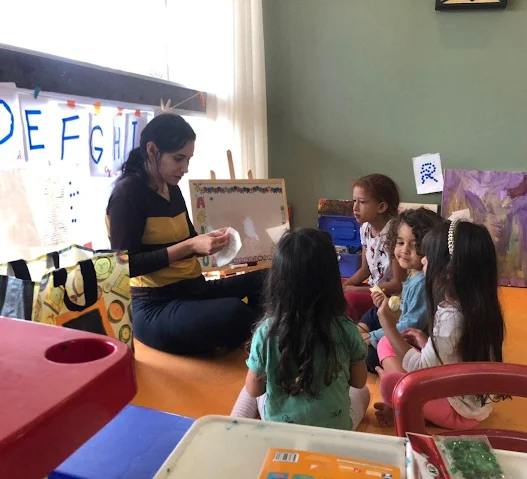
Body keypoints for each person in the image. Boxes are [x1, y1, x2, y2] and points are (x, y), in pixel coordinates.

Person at [106, 113, 266, 356]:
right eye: (178, 159)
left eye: (188, 159)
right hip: (154, 305)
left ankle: (251, 334)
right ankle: (253, 334)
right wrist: (190, 246)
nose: (185, 168)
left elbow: (188, 239)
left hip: (194, 289)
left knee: (270, 279)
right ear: (152, 150)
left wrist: (212, 241)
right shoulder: (127, 195)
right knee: (233, 313)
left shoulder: (171, 188)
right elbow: (125, 267)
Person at [231, 228, 370, 430]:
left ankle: (234, 426)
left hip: (281, 432)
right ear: (332, 280)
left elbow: (255, 391)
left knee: (249, 386)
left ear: (277, 281)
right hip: (334, 434)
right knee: (363, 392)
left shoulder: (266, 332)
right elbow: (358, 382)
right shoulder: (346, 329)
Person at [373, 219, 506, 430]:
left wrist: (387, 324)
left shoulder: (451, 319)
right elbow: (454, 357)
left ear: (448, 271)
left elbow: (419, 367)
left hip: (458, 412)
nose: (423, 260)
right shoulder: (477, 305)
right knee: (390, 345)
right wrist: (428, 343)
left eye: (429, 256)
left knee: (390, 377)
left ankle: (400, 405)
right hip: (472, 404)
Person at [358, 208, 442, 372]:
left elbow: (409, 325)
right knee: (374, 312)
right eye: (400, 243)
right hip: (401, 326)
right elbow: (405, 309)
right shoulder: (414, 273)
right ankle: (358, 335)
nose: (405, 250)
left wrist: (373, 337)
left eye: (415, 245)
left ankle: (362, 340)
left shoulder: (421, 283)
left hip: (410, 341)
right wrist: (388, 304)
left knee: (368, 355)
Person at [342, 174, 406, 320]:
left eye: (362, 202)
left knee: (350, 298)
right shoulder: (365, 228)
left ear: (382, 207)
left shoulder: (395, 234)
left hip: (389, 295)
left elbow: (398, 284)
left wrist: (355, 290)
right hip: (373, 287)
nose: (355, 207)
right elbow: (365, 270)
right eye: (354, 201)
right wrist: (344, 287)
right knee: (335, 286)